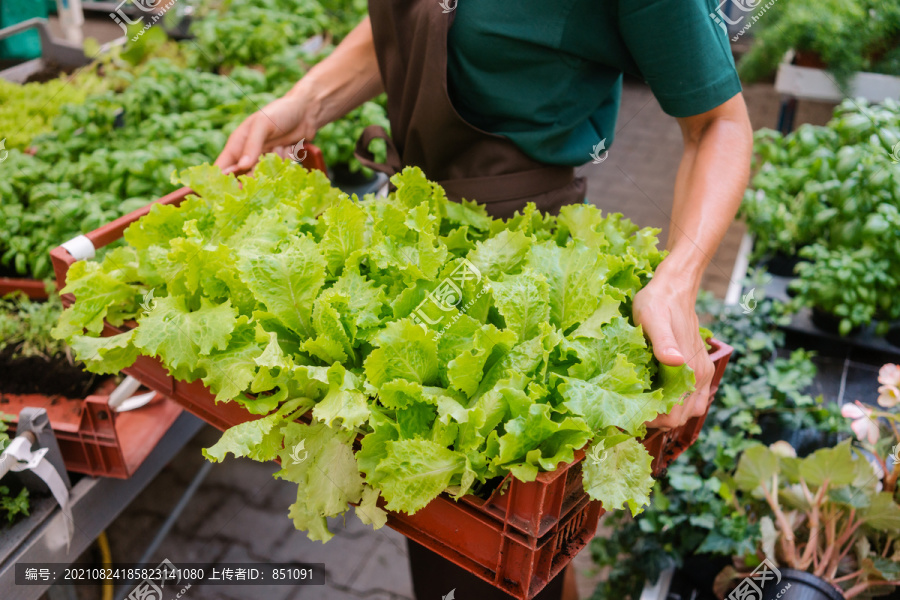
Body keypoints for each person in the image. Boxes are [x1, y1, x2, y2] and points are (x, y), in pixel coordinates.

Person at [217, 2, 753, 598]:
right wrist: (305, 102)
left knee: (488, 548)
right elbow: (411, 22)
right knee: (439, 525)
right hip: (413, 245)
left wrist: (679, 277)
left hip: (517, 276)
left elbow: (717, 125)